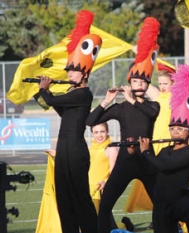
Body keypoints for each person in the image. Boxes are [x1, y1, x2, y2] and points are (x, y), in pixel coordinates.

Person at [85, 17, 161, 233]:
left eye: (143, 82)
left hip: (146, 158)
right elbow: (91, 121)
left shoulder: (152, 105)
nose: (139, 85)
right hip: (126, 160)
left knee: (161, 202)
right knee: (107, 201)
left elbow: (151, 113)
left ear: (147, 85)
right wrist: (107, 101)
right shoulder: (120, 107)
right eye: (135, 82)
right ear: (129, 83)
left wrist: (133, 99)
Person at [37, 10, 102, 233]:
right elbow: (58, 107)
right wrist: (45, 92)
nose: (69, 74)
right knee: (63, 196)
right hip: (64, 148)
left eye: (72, 71)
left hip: (75, 148)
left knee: (79, 195)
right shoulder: (73, 94)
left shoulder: (84, 94)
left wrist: (45, 90)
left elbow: (50, 98)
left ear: (84, 73)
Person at [126, 64, 189, 233]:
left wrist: (146, 151)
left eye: (180, 129)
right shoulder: (165, 150)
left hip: (181, 203)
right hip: (163, 206)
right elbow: (151, 167)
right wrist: (134, 152)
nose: (175, 132)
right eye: (173, 128)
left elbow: (164, 166)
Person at [124, 65, 175, 224]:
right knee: (157, 184)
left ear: (173, 83)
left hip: (169, 143)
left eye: (166, 83)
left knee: (170, 183)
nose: (162, 87)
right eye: (160, 83)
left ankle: (172, 217)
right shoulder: (159, 97)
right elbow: (143, 81)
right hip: (154, 143)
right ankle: (160, 215)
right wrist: (142, 59)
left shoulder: (177, 97)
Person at [88, 122, 118, 213]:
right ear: (92, 133)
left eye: (102, 131)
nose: (99, 135)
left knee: (101, 221)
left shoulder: (111, 148)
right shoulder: (91, 147)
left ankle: (126, 224)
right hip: (89, 188)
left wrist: (106, 183)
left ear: (107, 131)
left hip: (101, 188)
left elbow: (115, 172)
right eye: (96, 132)